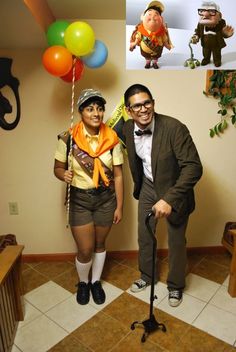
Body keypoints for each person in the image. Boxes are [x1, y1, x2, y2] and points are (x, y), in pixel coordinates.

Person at [123, 84, 202, 307]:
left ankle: (176, 286)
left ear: (153, 103)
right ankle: (147, 276)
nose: (143, 109)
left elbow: (193, 167)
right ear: (129, 110)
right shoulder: (127, 128)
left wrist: (169, 199)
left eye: (147, 103)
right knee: (144, 233)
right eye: (136, 105)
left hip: (175, 189)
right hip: (148, 186)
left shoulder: (175, 128)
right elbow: (101, 130)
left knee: (176, 240)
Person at [54, 89, 124, 305]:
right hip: (80, 200)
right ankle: (83, 283)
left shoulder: (113, 139)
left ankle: (95, 282)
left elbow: (119, 176)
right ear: (81, 111)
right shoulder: (68, 138)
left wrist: (119, 206)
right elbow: (57, 168)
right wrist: (62, 174)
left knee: (100, 244)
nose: (97, 113)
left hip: (105, 198)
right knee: (85, 249)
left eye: (100, 108)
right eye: (90, 108)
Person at [129, 1, 172, 69]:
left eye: (156, 13)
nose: (153, 16)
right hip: (145, 49)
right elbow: (138, 38)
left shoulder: (162, 32)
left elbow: (164, 40)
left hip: (157, 50)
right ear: (143, 17)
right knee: (147, 57)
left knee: (156, 57)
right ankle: (148, 63)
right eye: (149, 12)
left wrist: (167, 45)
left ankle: (155, 63)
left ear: (161, 19)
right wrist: (134, 44)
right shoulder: (141, 30)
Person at [191, 1, 234, 67]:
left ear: (219, 16)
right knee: (206, 52)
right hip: (205, 44)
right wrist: (196, 36)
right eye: (202, 11)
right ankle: (206, 59)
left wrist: (225, 34)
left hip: (216, 43)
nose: (205, 14)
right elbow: (198, 31)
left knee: (216, 53)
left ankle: (217, 61)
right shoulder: (200, 24)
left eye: (212, 11)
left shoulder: (221, 22)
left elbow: (223, 33)